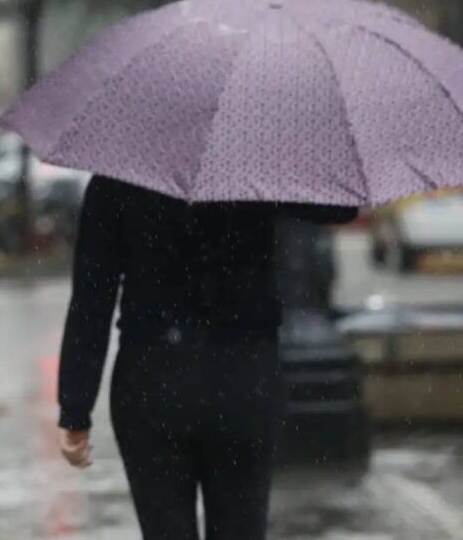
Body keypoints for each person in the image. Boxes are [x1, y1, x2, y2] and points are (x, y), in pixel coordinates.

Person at [57, 176, 356, 540]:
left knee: (165, 530)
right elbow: (340, 206)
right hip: (242, 378)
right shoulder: (254, 167)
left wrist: (75, 409)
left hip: (153, 380)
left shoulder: (119, 178)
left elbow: (91, 299)